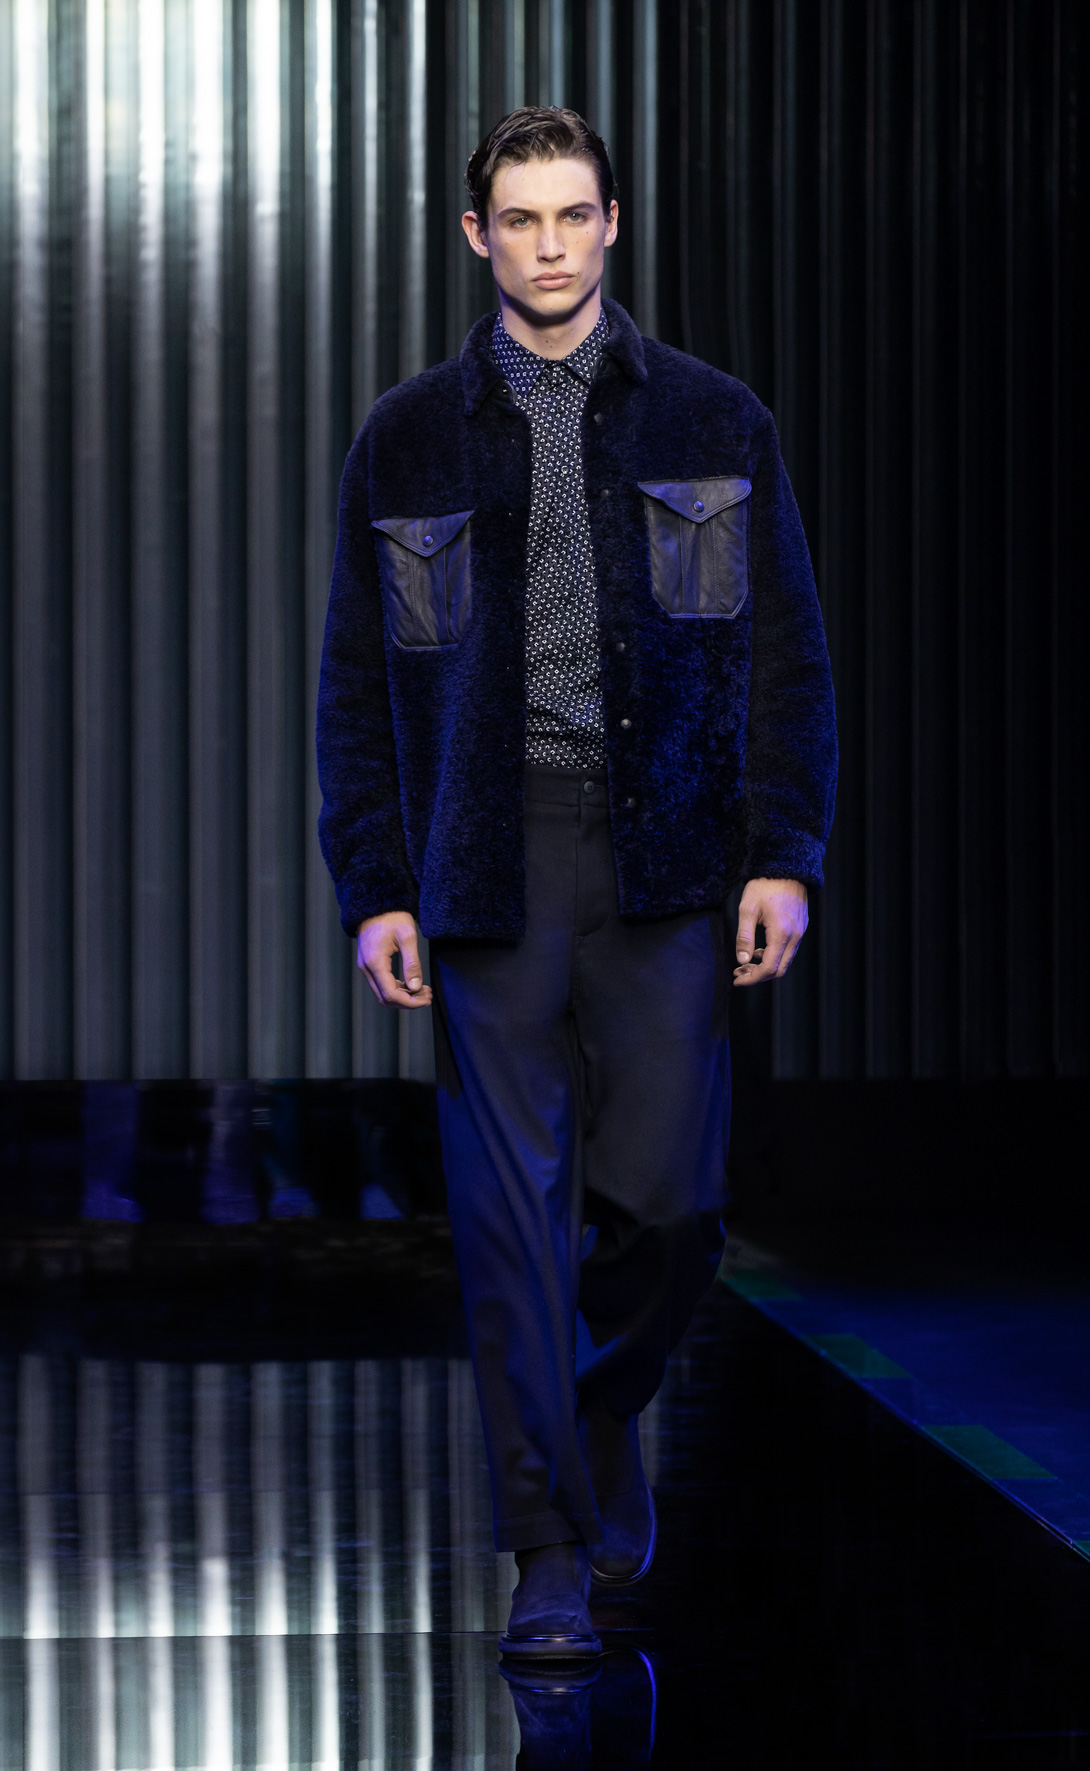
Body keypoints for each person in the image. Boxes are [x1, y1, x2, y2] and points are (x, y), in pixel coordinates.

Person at [317, 107, 837, 1660]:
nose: (548, 245)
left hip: (668, 855)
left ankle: (593, 1414)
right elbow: (355, 679)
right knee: (507, 1221)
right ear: (476, 237)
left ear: (611, 223)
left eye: (572, 215)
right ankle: (546, 1545)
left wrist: (783, 855)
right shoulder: (407, 436)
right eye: (520, 219)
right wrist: (376, 882)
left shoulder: (713, 419)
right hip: (486, 859)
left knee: (673, 1209)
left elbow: (785, 655)